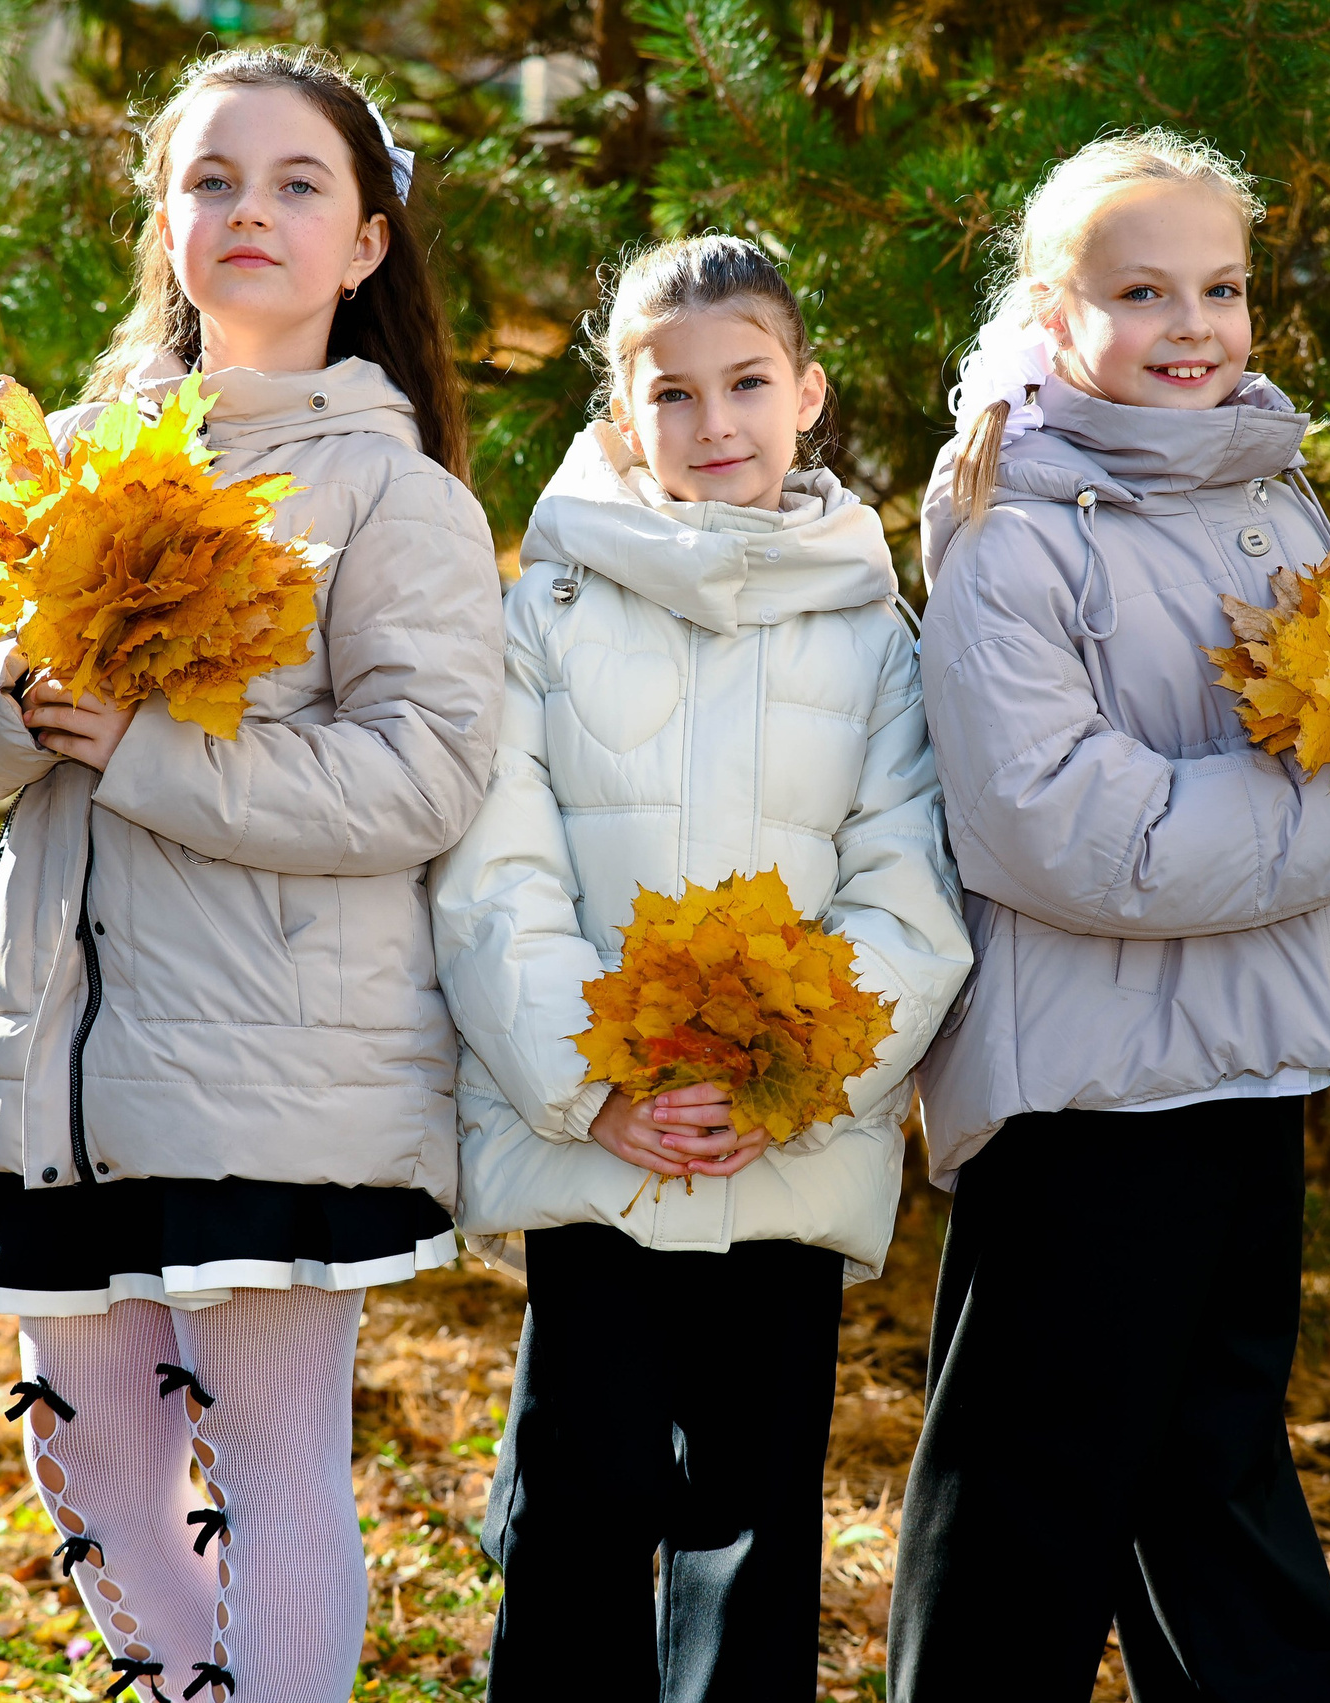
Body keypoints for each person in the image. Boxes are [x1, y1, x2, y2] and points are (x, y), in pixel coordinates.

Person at [0, 46, 502, 1703]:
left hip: (277, 1068)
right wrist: (16, 700)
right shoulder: (68, 462)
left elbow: (424, 778)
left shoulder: (395, 495)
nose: (250, 212)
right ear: (164, 221)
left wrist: (146, 752)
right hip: (69, 1062)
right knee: (89, 1451)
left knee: (269, 1455)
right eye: (212, 181)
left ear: (364, 242)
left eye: (299, 184)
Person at [887, 130, 1330, 1702]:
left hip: (1251, 1061)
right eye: (1142, 292)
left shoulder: (1276, 505)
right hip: (1086, 1092)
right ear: (1051, 311)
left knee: (1213, 1466)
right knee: (1034, 1488)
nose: (1191, 324)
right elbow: (1063, 831)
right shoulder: (1016, 534)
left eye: (1222, 287)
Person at [430, 234, 971, 1702]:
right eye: (672, 393)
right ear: (623, 415)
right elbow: (497, 878)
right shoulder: (542, 616)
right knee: (581, 1495)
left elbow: (909, 896)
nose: (714, 421)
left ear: (808, 394)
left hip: (781, 1142)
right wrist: (591, 1087)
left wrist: (788, 1082)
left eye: (747, 383)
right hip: (602, 1141)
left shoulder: (876, 636)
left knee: (751, 1518)